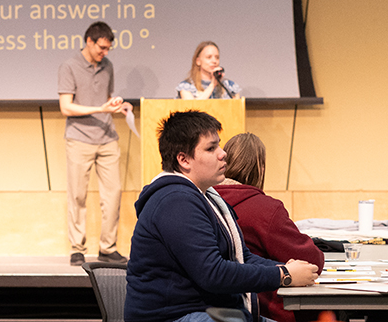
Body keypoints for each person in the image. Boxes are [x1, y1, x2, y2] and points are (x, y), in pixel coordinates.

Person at [124, 111, 319, 322]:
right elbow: (213, 274)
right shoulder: (176, 201)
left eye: (219, 145)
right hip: (178, 316)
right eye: (211, 148)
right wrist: (284, 276)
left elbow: (242, 257)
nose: (222, 153)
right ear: (184, 160)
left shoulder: (205, 196)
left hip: (207, 312)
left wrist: (286, 268)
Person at [214, 133, 325, 322]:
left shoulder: (201, 201)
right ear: (261, 169)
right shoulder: (266, 209)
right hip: (265, 311)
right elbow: (312, 261)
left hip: (215, 311)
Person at [58, 21, 132, 266]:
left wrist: (118, 105)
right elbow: (66, 107)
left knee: (112, 195)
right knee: (77, 195)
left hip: (107, 137)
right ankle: (77, 248)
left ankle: (107, 247)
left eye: (108, 48)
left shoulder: (107, 66)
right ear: (89, 41)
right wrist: (100, 108)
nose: (105, 52)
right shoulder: (69, 66)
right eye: (101, 47)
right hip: (79, 138)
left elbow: (106, 99)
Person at [177, 41, 242, 99]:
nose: (214, 61)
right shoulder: (187, 86)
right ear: (198, 61)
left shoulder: (229, 86)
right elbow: (193, 108)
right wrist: (212, 85)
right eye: (209, 57)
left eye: (217, 57)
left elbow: (236, 110)